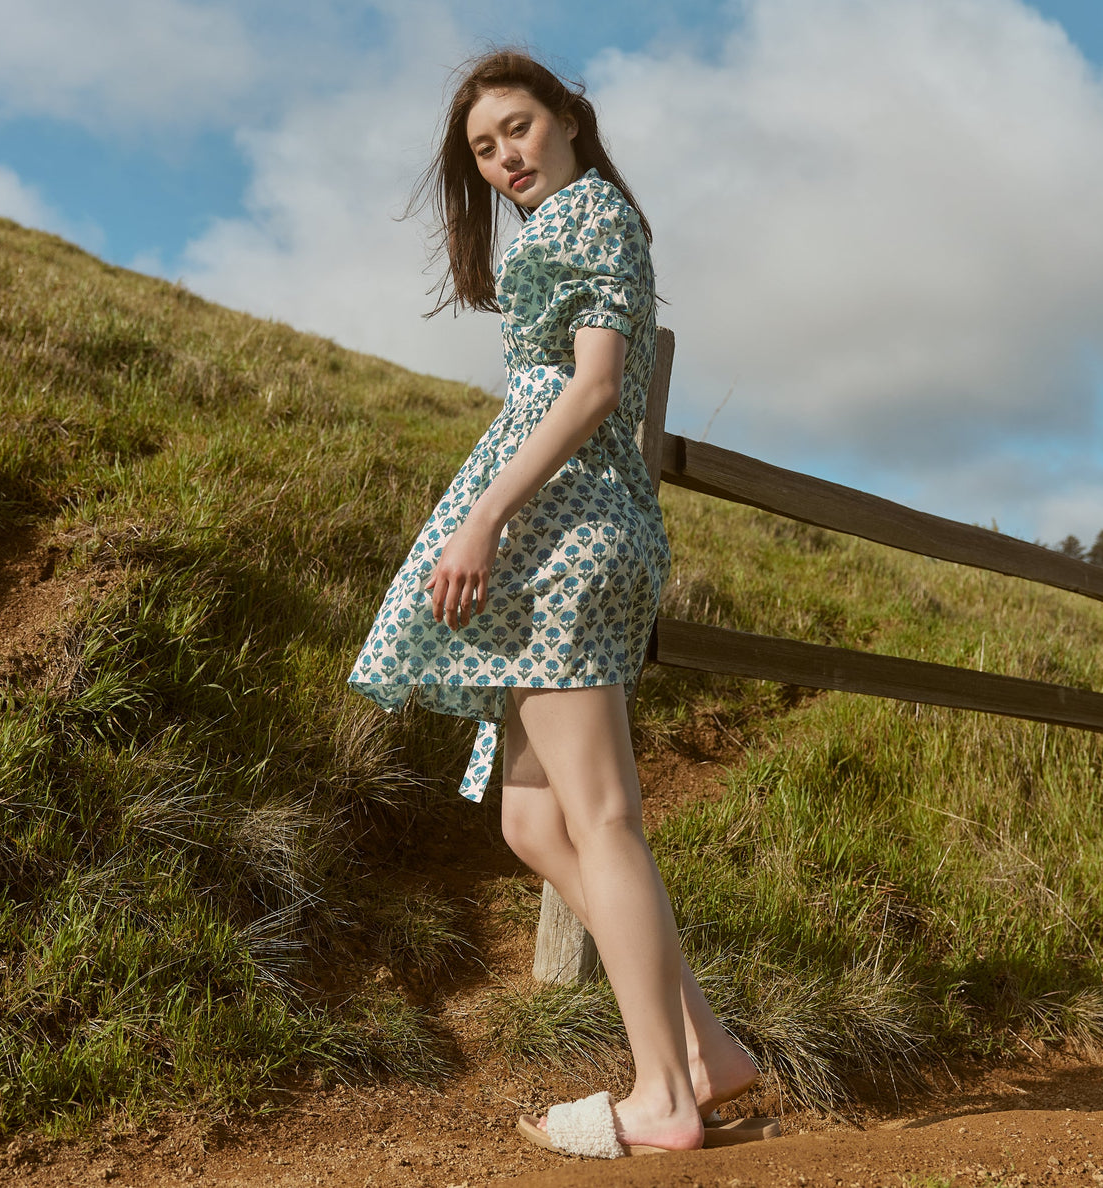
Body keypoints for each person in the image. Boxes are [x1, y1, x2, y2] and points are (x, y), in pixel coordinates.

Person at [349, 49, 764, 1159]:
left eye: (518, 128)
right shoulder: (557, 231)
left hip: (571, 539)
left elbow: (593, 388)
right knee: (533, 821)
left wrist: (482, 520)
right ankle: (707, 1048)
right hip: (554, 540)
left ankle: (663, 1094)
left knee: (602, 815)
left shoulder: (591, 219)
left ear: (571, 119)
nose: (504, 159)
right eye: (484, 150)